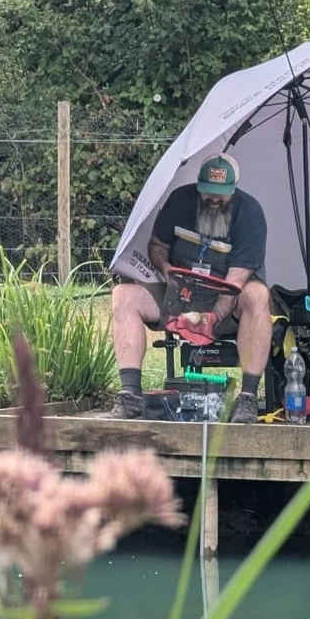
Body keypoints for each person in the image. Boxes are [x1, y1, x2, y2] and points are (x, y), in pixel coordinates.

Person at [109, 153, 271, 423]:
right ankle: (130, 396)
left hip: (225, 299)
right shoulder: (179, 200)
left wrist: (214, 317)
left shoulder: (250, 212)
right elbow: (158, 246)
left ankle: (247, 398)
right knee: (123, 295)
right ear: (198, 185)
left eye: (222, 193)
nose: (214, 199)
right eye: (208, 192)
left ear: (234, 188)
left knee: (257, 294)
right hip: (179, 294)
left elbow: (236, 281)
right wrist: (166, 270)